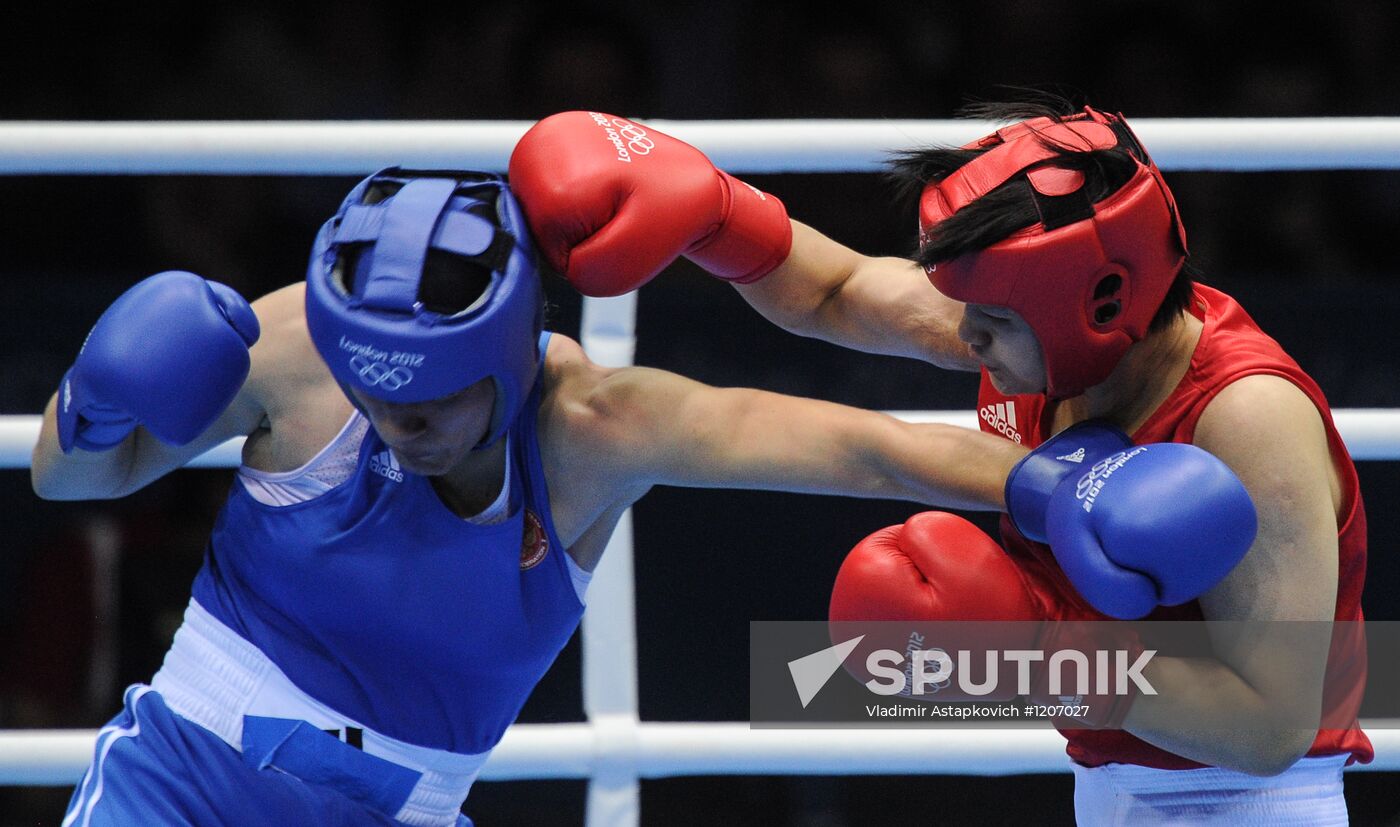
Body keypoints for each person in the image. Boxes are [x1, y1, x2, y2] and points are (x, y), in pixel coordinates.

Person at [31, 168, 1253, 826]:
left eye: (432, 405)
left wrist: (1062, 485)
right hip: (183, 767)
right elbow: (69, 475)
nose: (394, 427)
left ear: (510, 354)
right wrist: (88, 405)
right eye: (374, 392)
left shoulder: (599, 429)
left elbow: (858, 448)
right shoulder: (293, 345)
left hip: (403, 800)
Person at [508, 97, 1371, 824]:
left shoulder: (1246, 417)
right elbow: (837, 291)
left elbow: (1271, 724)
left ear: (1097, 302)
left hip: (1253, 802)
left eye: (988, 326)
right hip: (1111, 789)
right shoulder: (1043, 330)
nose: (961, 339)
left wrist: (1034, 651)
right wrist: (716, 215)